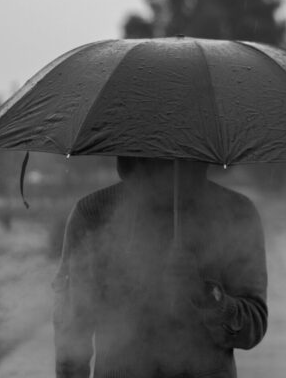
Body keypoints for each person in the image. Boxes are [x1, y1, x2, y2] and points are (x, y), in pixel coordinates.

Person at [53, 157, 268, 378]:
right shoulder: (94, 214)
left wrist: (206, 296)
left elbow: (255, 323)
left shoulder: (235, 213)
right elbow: (72, 332)